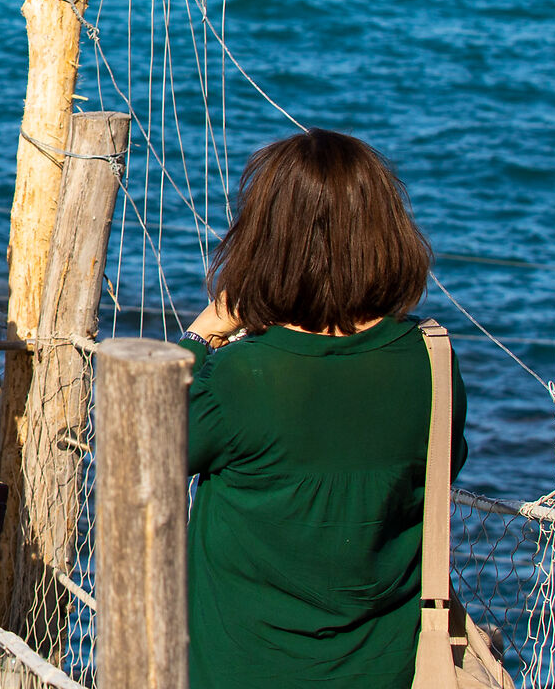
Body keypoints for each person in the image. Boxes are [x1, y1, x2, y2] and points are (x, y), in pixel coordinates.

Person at [184, 127, 466, 689]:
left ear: (268, 241)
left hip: (240, 669)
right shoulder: (433, 361)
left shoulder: (242, 376)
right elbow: (444, 466)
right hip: (388, 669)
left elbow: (144, 443)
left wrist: (199, 335)